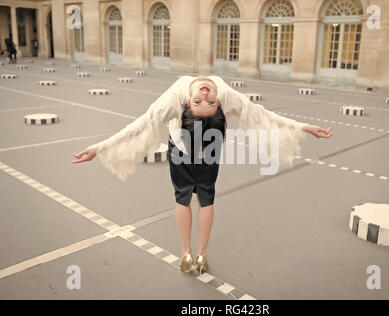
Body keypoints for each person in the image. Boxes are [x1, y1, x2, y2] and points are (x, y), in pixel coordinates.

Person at [72, 75, 333, 274]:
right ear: (187, 104)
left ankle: (201, 254)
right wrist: (100, 148)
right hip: (181, 148)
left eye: (206, 101)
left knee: (205, 198)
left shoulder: (225, 98)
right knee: (184, 197)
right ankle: (187, 253)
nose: (206, 93)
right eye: (202, 101)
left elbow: (263, 116)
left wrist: (303, 127)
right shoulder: (176, 99)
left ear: (219, 106)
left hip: (209, 147)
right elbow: (138, 127)